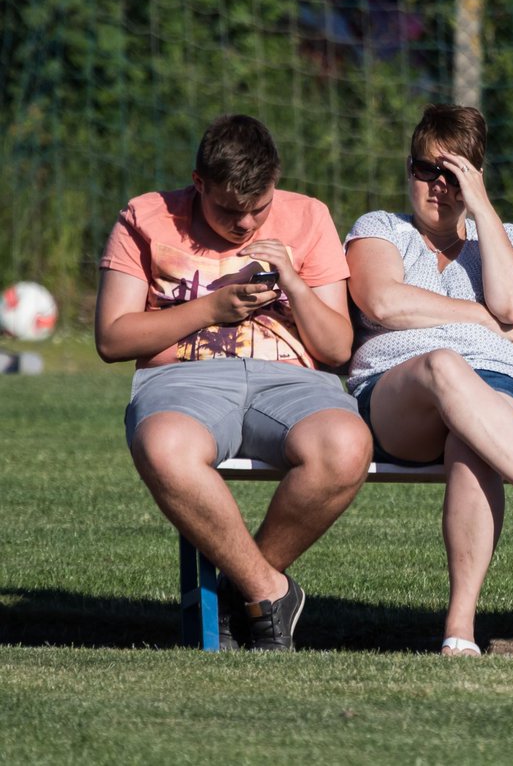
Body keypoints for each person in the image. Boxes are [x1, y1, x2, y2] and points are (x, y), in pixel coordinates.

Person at [95, 114, 372, 651]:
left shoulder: (308, 216)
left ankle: (239, 591)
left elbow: (338, 349)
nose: (245, 224)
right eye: (228, 209)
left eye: (258, 209)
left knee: (346, 445)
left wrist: (293, 281)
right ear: (199, 183)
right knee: (164, 446)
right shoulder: (146, 216)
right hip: (183, 378)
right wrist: (211, 308)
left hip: (291, 380)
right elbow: (112, 338)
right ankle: (269, 591)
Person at [344, 103, 513, 657]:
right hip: (399, 394)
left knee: (472, 440)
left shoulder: (506, 240)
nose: (436, 186)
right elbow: (382, 300)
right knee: (443, 364)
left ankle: (459, 631)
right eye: (424, 170)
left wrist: (480, 206)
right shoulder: (379, 229)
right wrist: (480, 319)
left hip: (502, 396)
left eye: (452, 174)